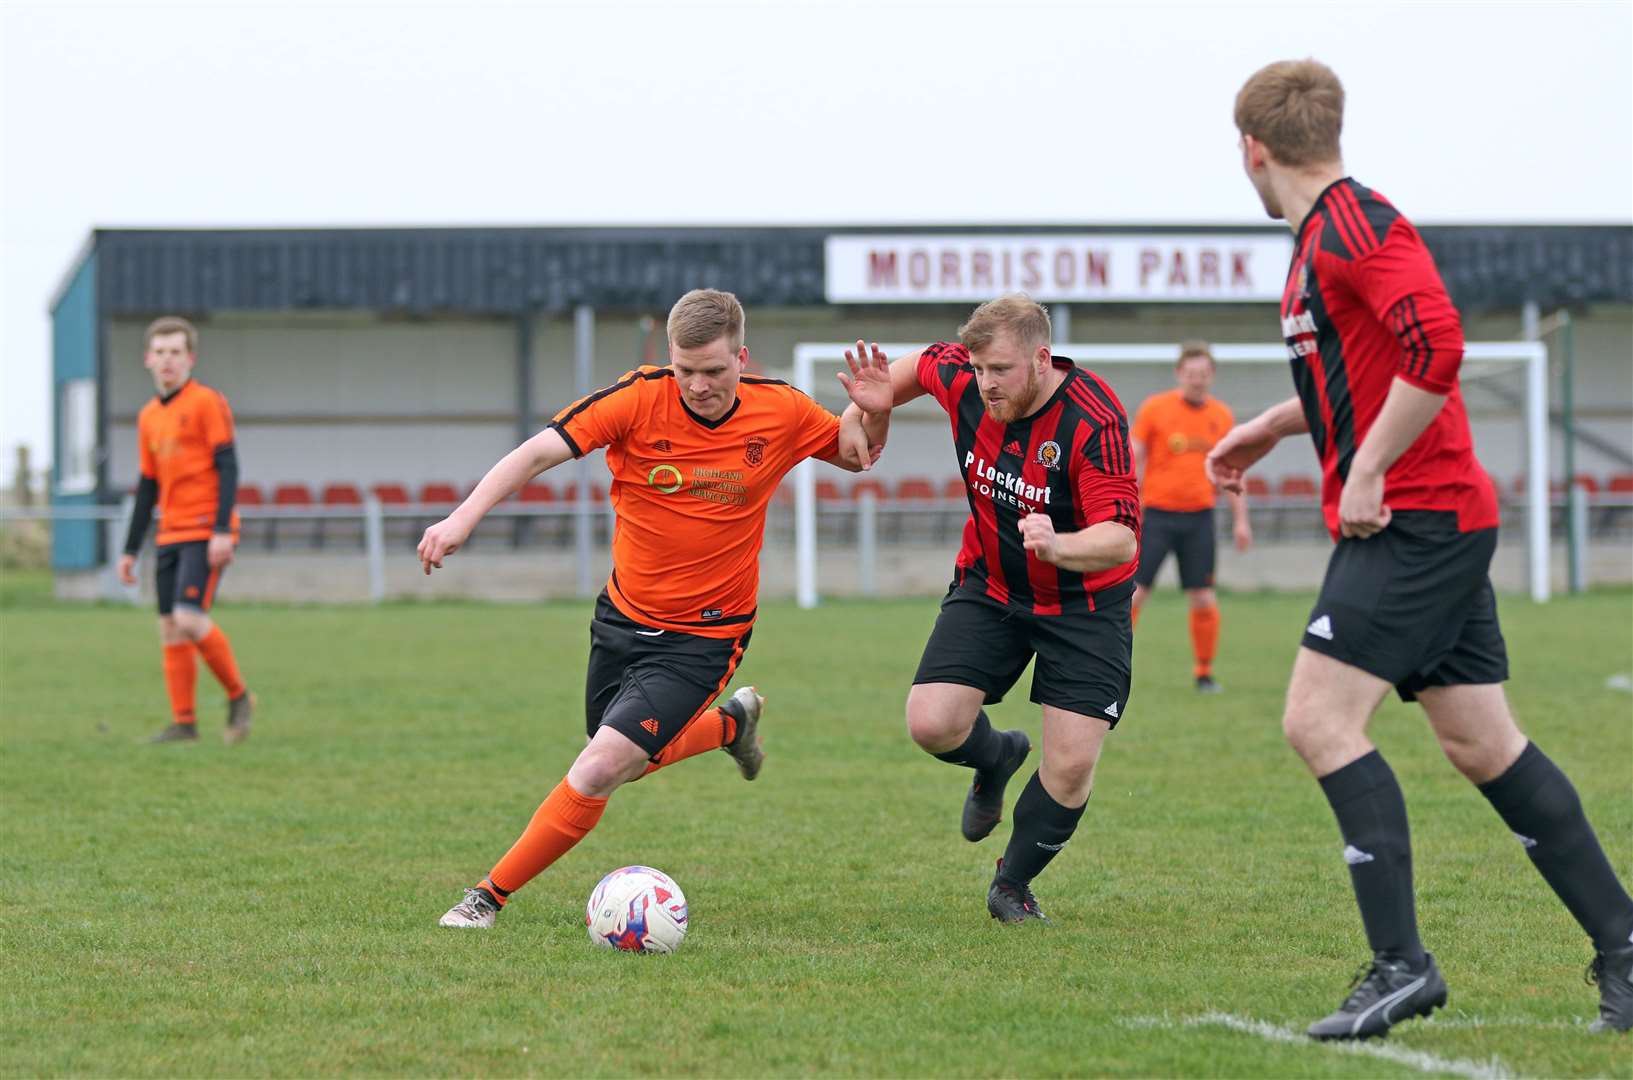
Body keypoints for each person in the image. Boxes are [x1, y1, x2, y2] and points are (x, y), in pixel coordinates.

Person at [1209, 58, 1633, 1038]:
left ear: (1252, 149)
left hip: (1415, 519)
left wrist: (1365, 474)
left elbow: (1435, 345)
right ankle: (1624, 949)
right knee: (1482, 741)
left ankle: (1401, 966)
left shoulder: (1355, 223)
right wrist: (1276, 426)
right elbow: (1363, 371)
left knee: (1317, 720)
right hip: (1431, 515)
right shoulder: (1322, 236)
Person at [426, 288, 886, 930]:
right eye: (685, 370)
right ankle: (730, 728)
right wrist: (462, 517)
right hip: (620, 619)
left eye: (714, 371)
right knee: (623, 759)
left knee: (600, 765)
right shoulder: (638, 397)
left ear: (742, 359)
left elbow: (858, 453)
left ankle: (485, 898)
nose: (697, 385)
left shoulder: (779, 410)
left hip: (704, 637)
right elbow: (537, 451)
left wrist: (876, 412)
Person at [839, 294, 1140, 924]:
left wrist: (1061, 544)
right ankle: (997, 755)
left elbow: (1121, 536)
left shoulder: (1093, 419)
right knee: (931, 723)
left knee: (1072, 766)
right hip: (992, 587)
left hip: (1083, 602)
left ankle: (1013, 883)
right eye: (978, 369)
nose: (986, 383)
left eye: (1000, 369)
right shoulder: (964, 379)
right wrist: (862, 411)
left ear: (1040, 357)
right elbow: (911, 369)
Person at [117, 316, 255, 744]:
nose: (167, 361)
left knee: (189, 617)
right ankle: (184, 723)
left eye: (175, 352)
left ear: (190, 358)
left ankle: (239, 696)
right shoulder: (147, 418)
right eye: (159, 353)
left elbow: (228, 466)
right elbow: (148, 485)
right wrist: (129, 549)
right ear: (147, 359)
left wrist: (220, 529)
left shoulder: (206, 402)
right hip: (170, 531)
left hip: (204, 528)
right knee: (169, 627)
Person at [1129, 341, 1252, 693]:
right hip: (1156, 516)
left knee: (1202, 597)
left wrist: (1241, 520)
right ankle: (1112, 663)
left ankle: (1204, 672)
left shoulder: (1222, 415)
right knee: (1134, 594)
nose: (1197, 380)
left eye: (1203, 374)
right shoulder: (1155, 409)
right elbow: (1134, 456)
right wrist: (1129, 503)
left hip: (1200, 518)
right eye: (1191, 373)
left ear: (1211, 376)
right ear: (1179, 373)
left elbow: (1232, 470)